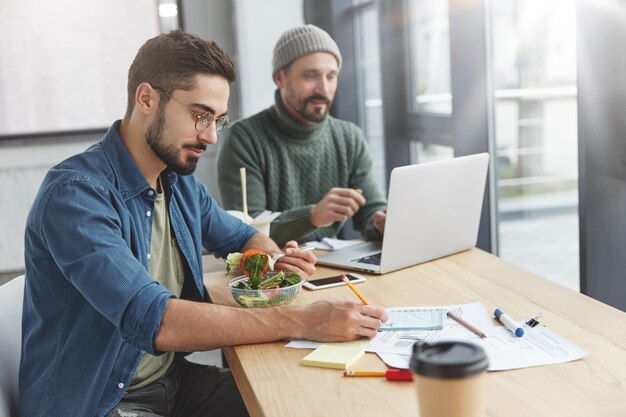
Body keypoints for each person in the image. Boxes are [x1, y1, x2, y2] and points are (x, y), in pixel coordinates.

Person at [20, 30, 387, 417]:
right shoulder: (75, 195)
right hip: (99, 402)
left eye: (218, 120)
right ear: (146, 99)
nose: (211, 136)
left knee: (301, 402)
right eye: (199, 115)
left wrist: (273, 263)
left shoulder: (178, 183)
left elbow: (245, 236)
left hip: (172, 385)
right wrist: (301, 320)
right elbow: (155, 320)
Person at [217, 24, 387, 247]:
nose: (324, 89)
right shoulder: (243, 139)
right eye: (311, 76)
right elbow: (243, 231)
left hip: (331, 265)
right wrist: (313, 216)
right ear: (280, 78)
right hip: (272, 273)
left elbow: (371, 213)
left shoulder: (349, 138)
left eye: (331, 76)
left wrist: (381, 222)